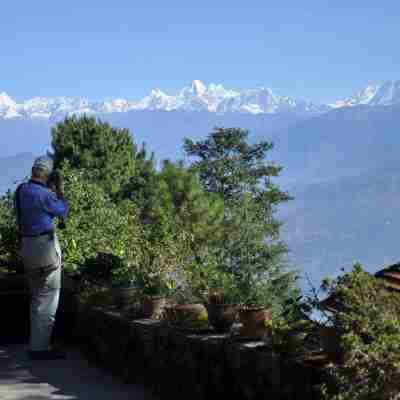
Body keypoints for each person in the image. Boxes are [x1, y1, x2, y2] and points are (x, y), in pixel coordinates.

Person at [15, 156, 69, 360]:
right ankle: (40, 348)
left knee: (37, 295)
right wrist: (60, 191)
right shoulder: (46, 195)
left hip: (26, 245)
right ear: (47, 174)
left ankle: (34, 342)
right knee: (48, 297)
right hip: (44, 247)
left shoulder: (22, 191)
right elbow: (63, 211)